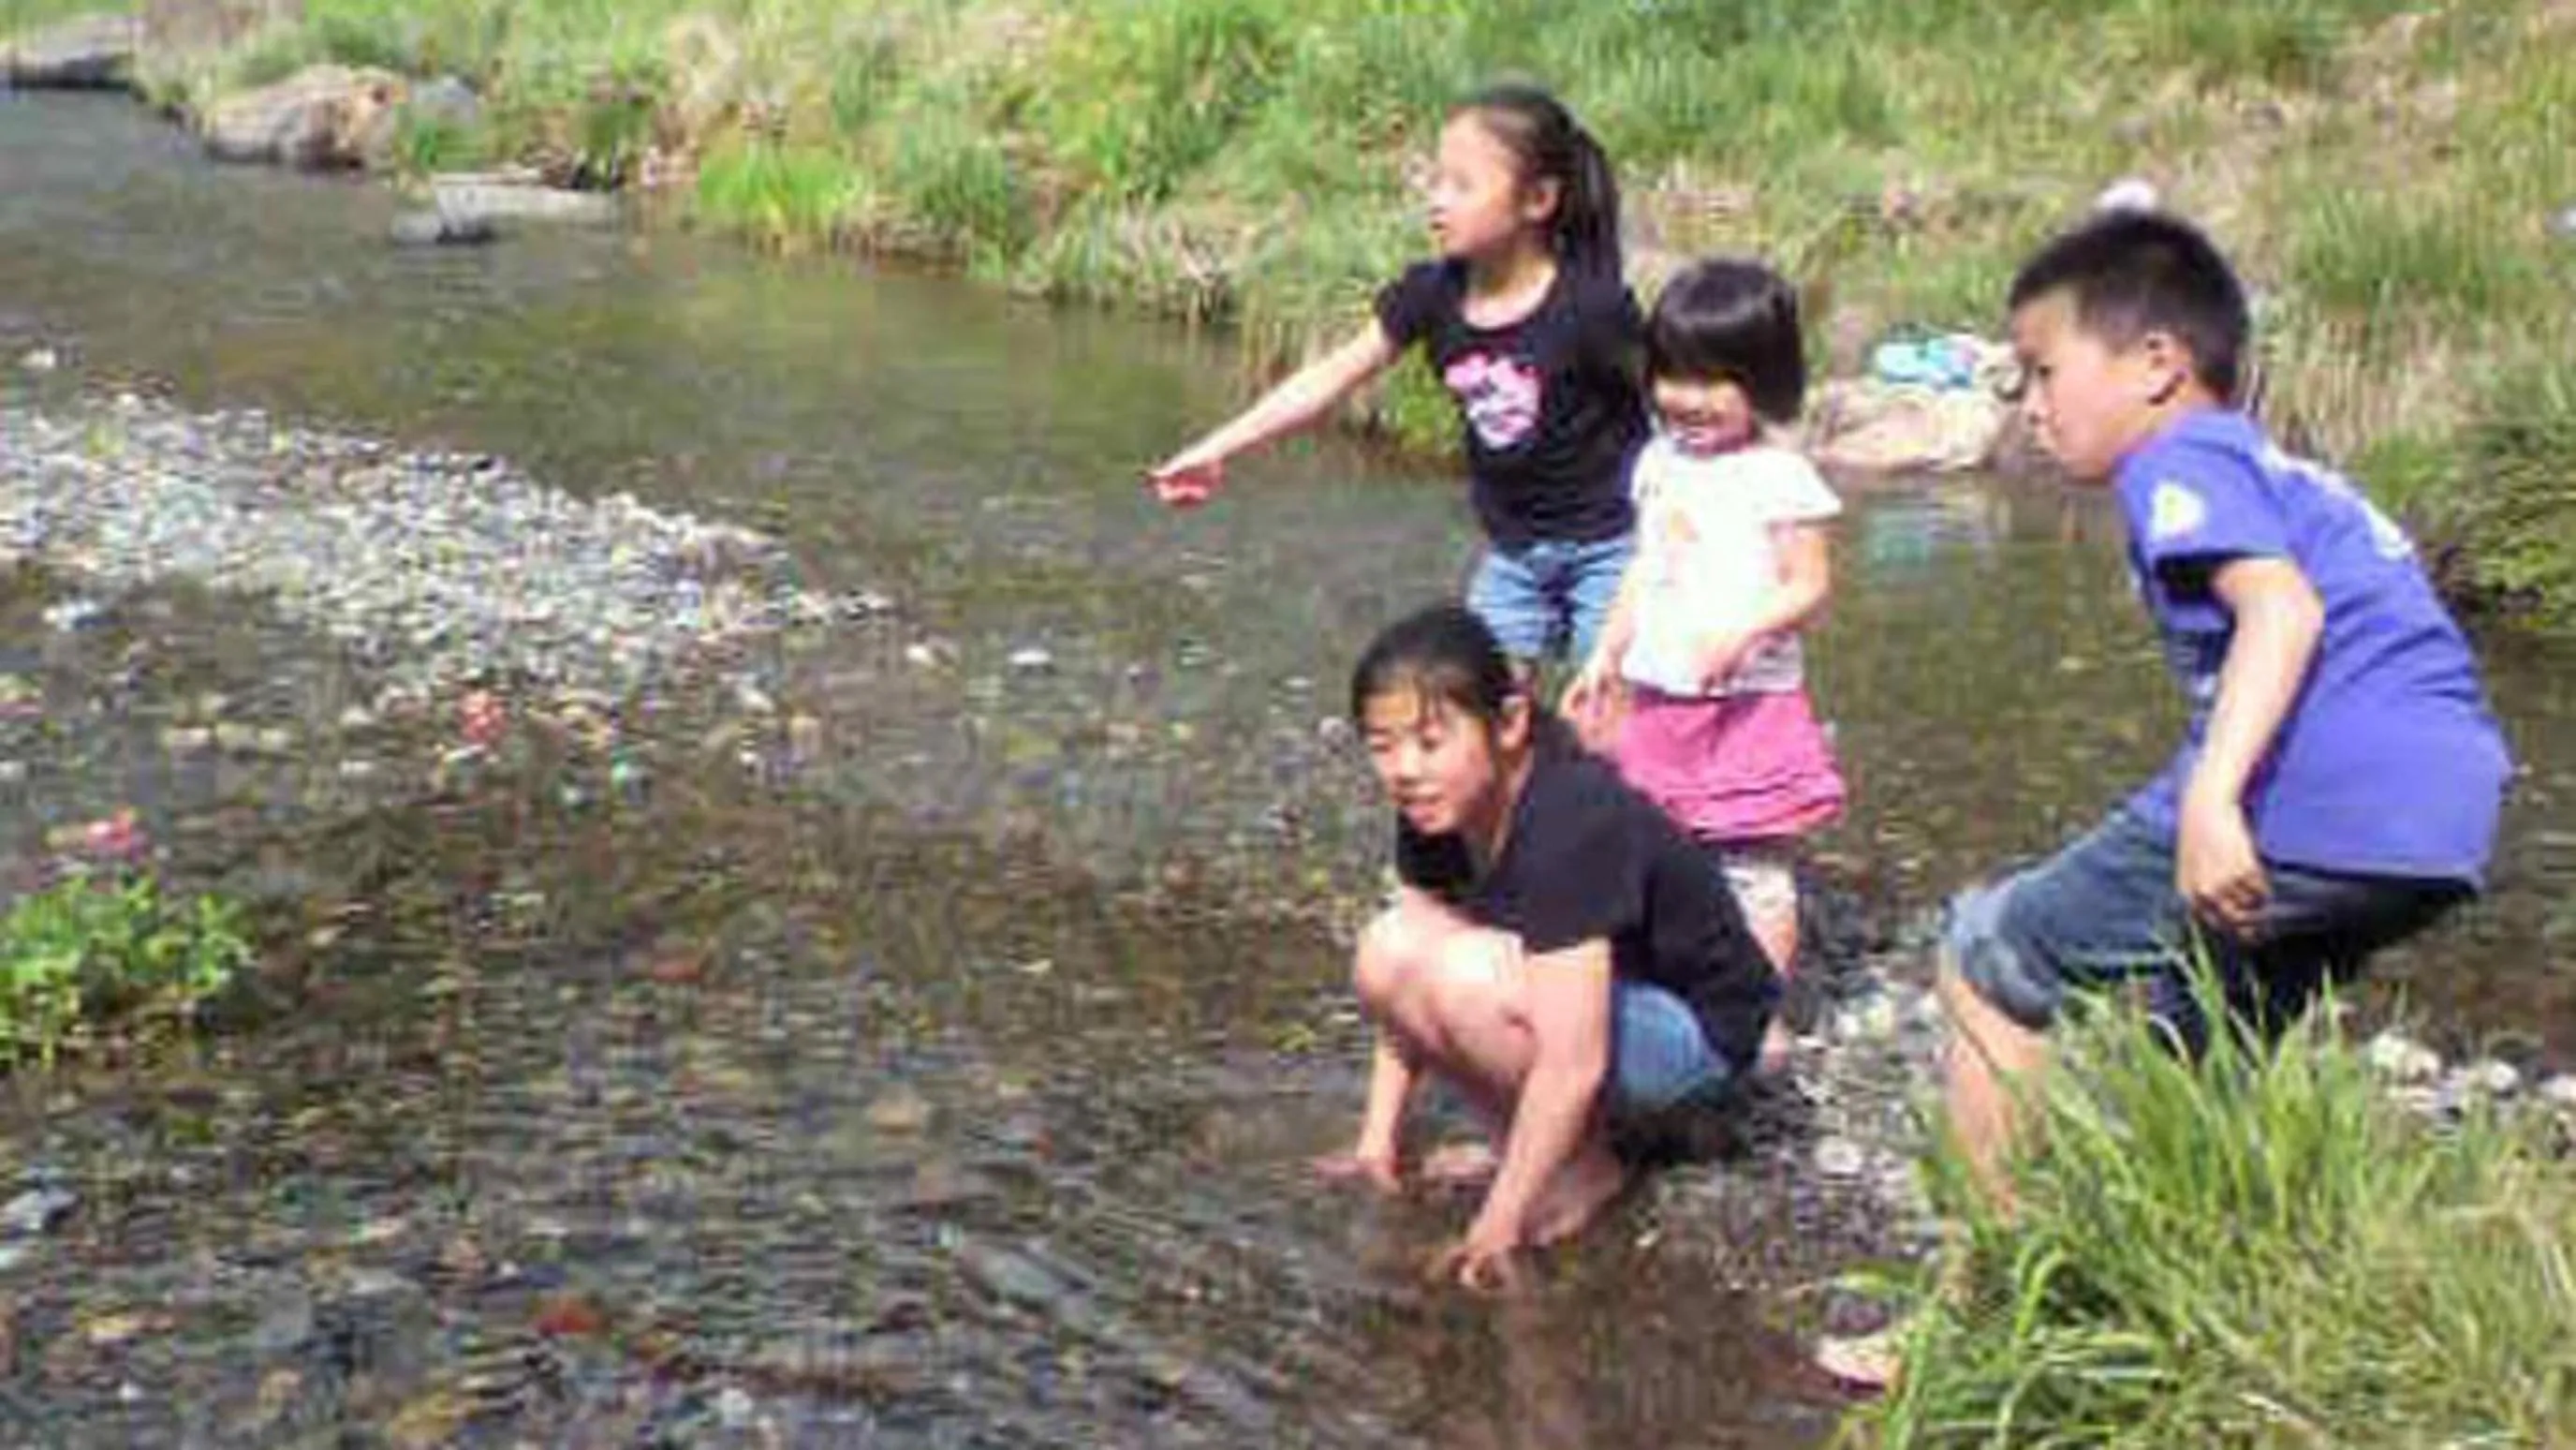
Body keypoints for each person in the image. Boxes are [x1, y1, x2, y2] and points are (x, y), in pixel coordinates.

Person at [1937, 209, 2513, 1202]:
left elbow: (2282, 613)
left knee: (1993, 954)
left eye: (2043, 370)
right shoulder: (2280, 468)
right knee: (2203, 1037)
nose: (2030, 405)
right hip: (2441, 819)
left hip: (2317, 792)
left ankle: (1974, 1298)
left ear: (2156, 362)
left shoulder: (2179, 458)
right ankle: (2196, 1263)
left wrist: (2212, 803)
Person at [1322, 602, 1778, 1288]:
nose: (1404, 769)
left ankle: (1582, 1172)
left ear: (1507, 724)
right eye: (1382, 746)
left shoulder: (1571, 818)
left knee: (1465, 975)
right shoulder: (1434, 805)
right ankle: (1524, 1146)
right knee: (1388, 946)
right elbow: (1396, 990)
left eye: (1429, 740)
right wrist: (1375, 1142)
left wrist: (1495, 1228)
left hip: (1697, 1045)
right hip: (1587, 1003)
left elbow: (1573, 1062)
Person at [1149, 82, 1648, 673]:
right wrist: (1218, 449)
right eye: (1435, 181)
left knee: (1609, 713)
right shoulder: (1432, 294)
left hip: (1616, 547)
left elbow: (1676, 401)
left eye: (1462, 185)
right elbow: (1327, 379)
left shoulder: (1591, 307)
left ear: (1538, 199)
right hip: (1515, 553)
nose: (1438, 200)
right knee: (1482, 711)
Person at [1563, 258, 1847, 1076]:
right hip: (1658, 702)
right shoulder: (1659, 464)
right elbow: (1642, 569)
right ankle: (1664, 988)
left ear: (1762, 383)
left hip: (1744, 709)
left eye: (1712, 380)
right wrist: (1605, 655)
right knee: (1657, 847)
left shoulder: (1778, 476)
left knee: (1752, 865)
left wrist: (1743, 631)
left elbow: (1810, 584)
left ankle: (1756, 1009)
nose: (1685, 397)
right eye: (1671, 375)